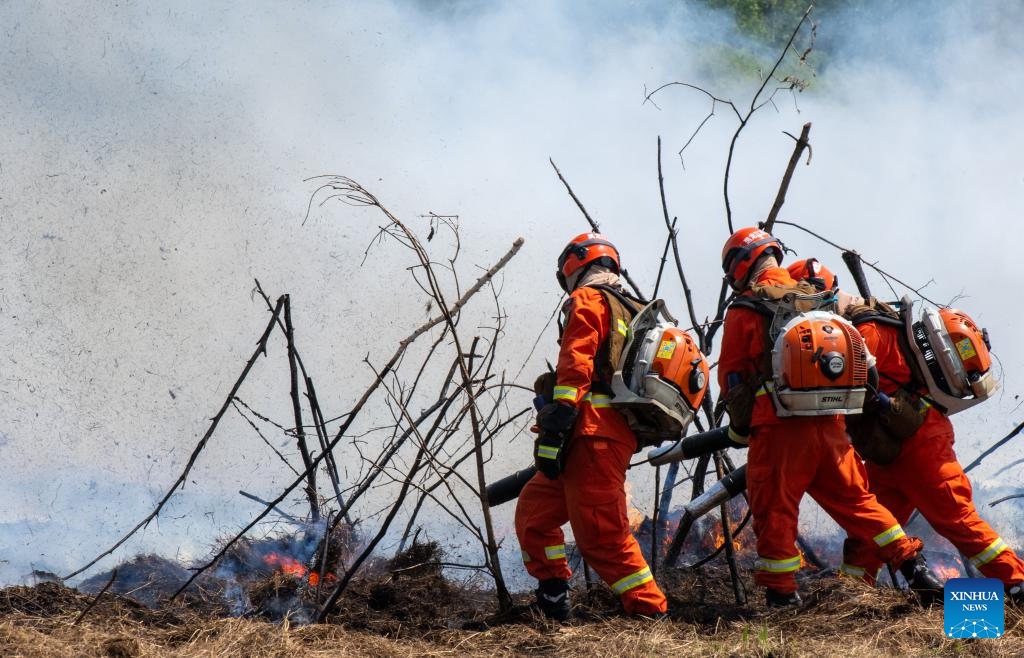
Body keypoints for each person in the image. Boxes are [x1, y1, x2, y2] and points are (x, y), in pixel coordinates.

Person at [718, 227, 943, 608]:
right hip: (832, 426)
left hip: (779, 431)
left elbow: (732, 380)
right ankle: (915, 570)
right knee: (861, 504)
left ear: (739, 267)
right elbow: (862, 364)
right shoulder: (819, 298)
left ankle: (783, 596)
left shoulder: (745, 308)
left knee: (775, 509)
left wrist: (742, 430)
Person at [786, 258, 1024, 605]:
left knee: (957, 519)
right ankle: (853, 601)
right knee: (867, 534)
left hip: (922, 445)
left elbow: (840, 399)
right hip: (890, 452)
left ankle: (1016, 583)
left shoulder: (859, 335)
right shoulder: (857, 327)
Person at [514, 232, 668, 620]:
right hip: (593, 436)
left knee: (602, 536)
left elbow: (576, 360)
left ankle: (652, 615)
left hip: (592, 433)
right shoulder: (636, 309)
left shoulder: (587, 299)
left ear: (573, 267)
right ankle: (553, 599)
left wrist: (557, 417)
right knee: (535, 516)